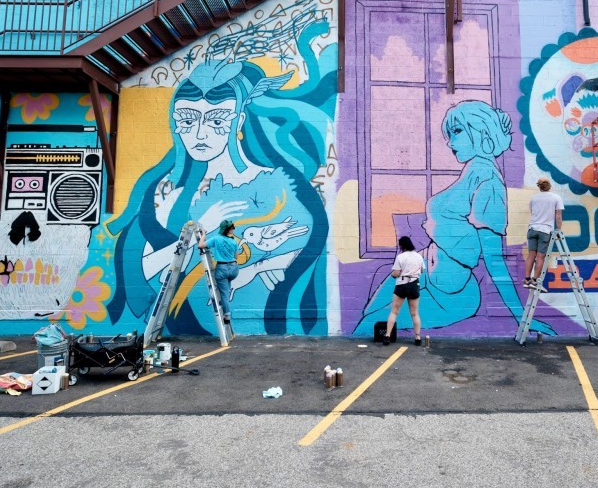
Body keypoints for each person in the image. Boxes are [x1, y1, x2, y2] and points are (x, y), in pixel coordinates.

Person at [108, 56, 334, 336]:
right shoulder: (170, 194)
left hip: (272, 322)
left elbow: (309, 245)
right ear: (175, 124)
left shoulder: (279, 182)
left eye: (216, 120)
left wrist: (259, 267)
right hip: (188, 322)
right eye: (188, 119)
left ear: (238, 120)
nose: (200, 134)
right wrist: (201, 225)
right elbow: (147, 268)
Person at [354, 101, 555, 337]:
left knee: (372, 324)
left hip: (449, 293)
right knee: (367, 319)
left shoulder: (489, 183)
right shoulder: (472, 170)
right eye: (449, 134)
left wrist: (522, 318)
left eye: (457, 132)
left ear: (480, 130)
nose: (450, 142)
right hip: (421, 266)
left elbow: (494, 262)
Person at [197, 219, 243, 326]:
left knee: (224, 295)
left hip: (222, 268)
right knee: (226, 291)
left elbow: (201, 245)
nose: (233, 229)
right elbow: (236, 256)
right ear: (228, 229)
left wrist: (203, 234)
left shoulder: (216, 239)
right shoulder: (233, 241)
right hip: (234, 269)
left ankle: (227, 316)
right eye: (232, 227)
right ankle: (224, 304)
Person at [382, 236, 425, 346]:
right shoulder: (419, 256)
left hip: (402, 285)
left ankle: (387, 336)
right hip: (414, 284)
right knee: (415, 313)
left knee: (394, 311)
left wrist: (393, 274)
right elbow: (422, 270)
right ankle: (417, 337)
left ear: (402, 245)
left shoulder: (400, 257)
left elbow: (396, 273)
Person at [524, 177, 564, 292]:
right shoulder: (556, 197)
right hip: (545, 230)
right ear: (549, 186)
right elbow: (558, 215)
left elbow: (533, 212)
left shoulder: (533, 198)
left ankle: (527, 280)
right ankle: (535, 281)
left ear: (539, 186)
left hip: (532, 229)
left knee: (531, 255)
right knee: (540, 257)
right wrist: (559, 229)